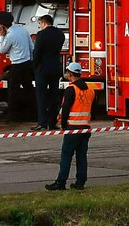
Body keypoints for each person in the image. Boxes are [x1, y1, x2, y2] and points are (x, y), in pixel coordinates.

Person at [45, 62, 95, 191]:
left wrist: (62, 124)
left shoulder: (71, 89)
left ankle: (61, 182)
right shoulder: (90, 90)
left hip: (73, 128)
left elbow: (65, 108)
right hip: (85, 128)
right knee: (81, 156)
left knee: (66, 156)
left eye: (68, 72)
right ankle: (80, 182)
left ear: (71, 74)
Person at [0, 11, 35, 122]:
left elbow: (2, 50)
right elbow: (31, 47)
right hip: (27, 63)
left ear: (2, 25)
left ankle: (13, 115)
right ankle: (33, 113)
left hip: (17, 65)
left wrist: (1, 37)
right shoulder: (23, 30)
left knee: (13, 91)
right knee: (29, 89)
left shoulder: (10, 35)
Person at [32, 15, 65, 131]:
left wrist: (34, 66)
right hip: (55, 67)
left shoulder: (41, 35)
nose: (40, 26)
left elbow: (37, 52)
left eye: (40, 24)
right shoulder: (60, 35)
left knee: (41, 96)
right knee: (53, 95)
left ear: (44, 23)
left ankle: (42, 122)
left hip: (42, 68)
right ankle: (52, 122)